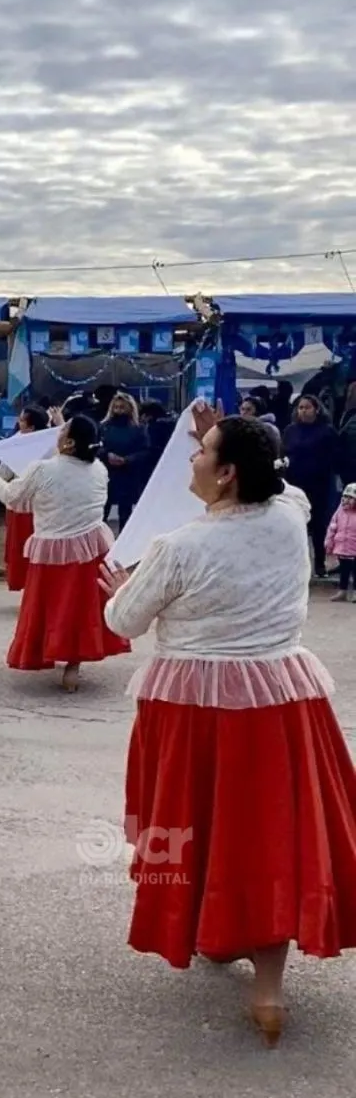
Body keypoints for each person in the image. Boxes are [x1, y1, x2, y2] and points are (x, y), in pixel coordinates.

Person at [99, 411, 356, 1046]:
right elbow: (282, 487)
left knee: (202, 827)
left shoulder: (180, 547)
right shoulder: (290, 515)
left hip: (196, 706)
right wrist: (234, 436)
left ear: (228, 473)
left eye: (202, 451)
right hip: (282, 696)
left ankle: (217, 931)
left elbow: (124, 623)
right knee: (273, 833)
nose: (192, 459)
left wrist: (119, 588)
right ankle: (266, 988)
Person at [0, 415, 129, 692]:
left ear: (69, 442)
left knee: (53, 607)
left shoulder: (43, 470)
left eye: (62, 431)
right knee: (79, 609)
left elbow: (12, 497)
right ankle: (73, 663)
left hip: (54, 548)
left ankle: (55, 653)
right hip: (91, 546)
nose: (57, 435)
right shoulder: (98, 468)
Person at [0, 404, 50, 592]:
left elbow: (3, 474)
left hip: (21, 505)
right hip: (46, 507)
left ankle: (28, 585)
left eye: (22, 420)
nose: (19, 422)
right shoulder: (52, 443)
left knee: (21, 550)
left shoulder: (17, 445)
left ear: (31, 426)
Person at [282, 394, 339, 578]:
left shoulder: (326, 431)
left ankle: (320, 564)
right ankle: (295, 564)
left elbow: (334, 456)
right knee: (295, 523)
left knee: (319, 525)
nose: (303, 411)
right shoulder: (291, 431)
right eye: (300, 408)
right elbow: (283, 451)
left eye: (307, 407)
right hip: (295, 483)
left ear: (316, 409)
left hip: (319, 484)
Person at [100, 391, 148, 531]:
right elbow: (97, 447)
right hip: (106, 473)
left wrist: (127, 460)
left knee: (125, 512)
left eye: (122, 407)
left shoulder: (139, 429)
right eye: (116, 407)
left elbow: (145, 451)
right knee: (102, 510)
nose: (119, 410)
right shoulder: (104, 427)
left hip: (128, 474)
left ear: (129, 408)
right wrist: (107, 455)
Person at [325, 482, 356, 603]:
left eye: (351, 498)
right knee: (344, 571)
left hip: (354, 548)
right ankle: (342, 591)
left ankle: (355, 592)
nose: (346, 500)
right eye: (345, 496)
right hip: (342, 547)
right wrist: (329, 542)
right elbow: (332, 527)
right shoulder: (339, 512)